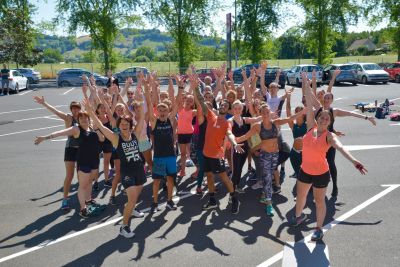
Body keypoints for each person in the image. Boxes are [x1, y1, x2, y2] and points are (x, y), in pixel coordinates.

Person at [290, 74, 367, 241]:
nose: (324, 119)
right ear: (317, 119)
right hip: (305, 170)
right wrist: (305, 82)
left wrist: (354, 161)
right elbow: (309, 101)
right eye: (322, 117)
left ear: (330, 121)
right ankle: (298, 217)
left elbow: (340, 147)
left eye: (327, 118)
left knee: (319, 201)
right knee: (301, 196)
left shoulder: (330, 136)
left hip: (321, 173)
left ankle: (318, 228)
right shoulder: (310, 126)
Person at [83, 98, 146, 238]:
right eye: (122, 124)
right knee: (132, 198)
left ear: (130, 126)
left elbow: (141, 119)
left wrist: (141, 107)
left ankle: (132, 209)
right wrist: (90, 112)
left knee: (137, 193)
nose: (124, 126)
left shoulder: (135, 135)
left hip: (139, 169)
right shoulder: (116, 138)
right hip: (127, 172)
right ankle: (124, 227)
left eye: (126, 124)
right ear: (119, 126)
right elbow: (100, 125)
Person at [235, 103, 306, 216]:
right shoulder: (257, 126)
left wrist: (302, 112)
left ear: (270, 113)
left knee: (271, 175)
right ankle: (269, 203)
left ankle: (266, 194)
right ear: (260, 114)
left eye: (267, 112)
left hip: (275, 154)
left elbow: (289, 118)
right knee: (268, 179)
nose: (266, 114)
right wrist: (233, 140)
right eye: (263, 112)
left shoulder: (275, 122)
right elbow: (245, 136)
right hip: (265, 156)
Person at [35, 110, 106, 218]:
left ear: (89, 118)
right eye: (80, 118)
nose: (83, 119)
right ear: (78, 120)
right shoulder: (76, 129)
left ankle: (88, 201)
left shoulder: (92, 128)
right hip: (83, 162)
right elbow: (60, 133)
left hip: (94, 161)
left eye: (85, 117)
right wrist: (44, 138)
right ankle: (83, 209)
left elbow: (102, 139)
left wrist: (96, 128)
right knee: (82, 186)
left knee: (89, 183)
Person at [193, 71, 244, 214]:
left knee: (223, 177)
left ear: (228, 109)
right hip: (206, 153)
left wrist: (234, 144)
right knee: (209, 176)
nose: (222, 106)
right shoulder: (211, 116)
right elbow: (201, 101)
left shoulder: (226, 122)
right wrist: (195, 86)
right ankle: (212, 200)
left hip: (217, 156)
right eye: (221, 104)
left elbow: (230, 134)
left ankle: (234, 198)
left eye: (225, 105)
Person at [33, 96, 82, 210]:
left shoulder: (83, 117)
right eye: (73, 108)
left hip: (81, 150)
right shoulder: (68, 118)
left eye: (77, 108)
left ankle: (82, 197)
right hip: (70, 149)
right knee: (69, 176)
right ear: (71, 109)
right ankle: (65, 200)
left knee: (81, 175)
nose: (75, 110)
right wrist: (44, 103)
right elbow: (55, 112)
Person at [144, 75, 178, 212]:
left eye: (165, 110)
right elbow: (148, 101)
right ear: (157, 112)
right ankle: (155, 203)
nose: (162, 112)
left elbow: (176, 103)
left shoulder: (170, 120)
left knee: (170, 179)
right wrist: (147, 86)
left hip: (170, 156)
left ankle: (169, 201)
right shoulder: (154, 122)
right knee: (157, 181)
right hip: (158, 156)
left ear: (168, 112)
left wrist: (179, 86)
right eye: (160, 111)